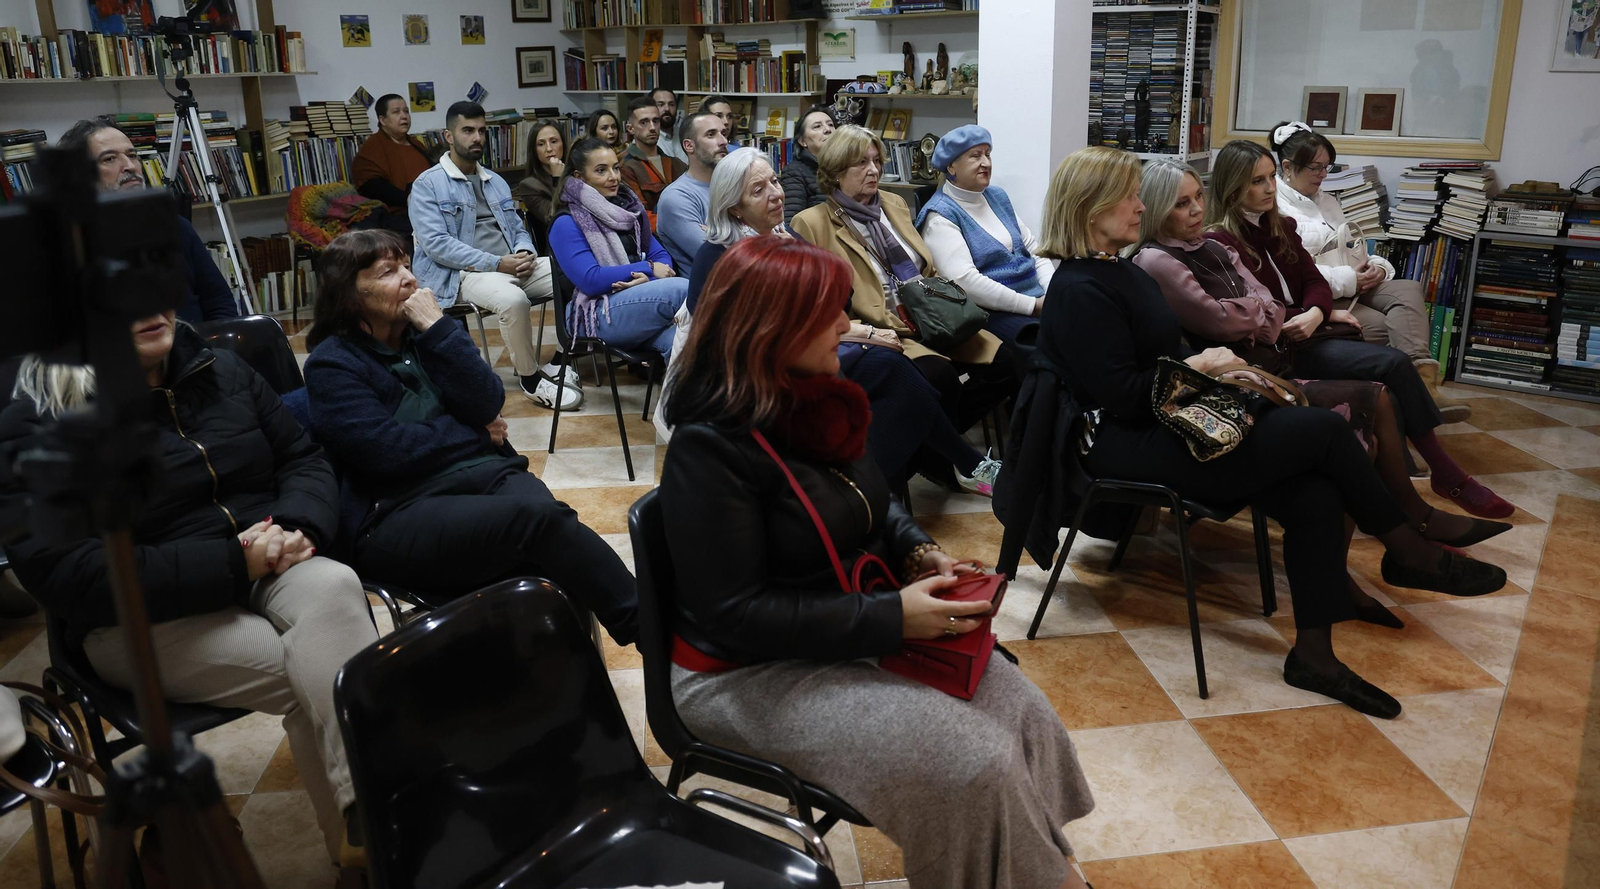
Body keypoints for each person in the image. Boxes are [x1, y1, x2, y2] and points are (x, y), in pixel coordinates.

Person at [661, 234, 1094, 888]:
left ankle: (1034, 865)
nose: (846, 322)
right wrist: (891, 618)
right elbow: (732, 615)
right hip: (740, 673)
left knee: (1020, 705)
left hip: (834, 630)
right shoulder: (708, 448)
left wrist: (916, 549)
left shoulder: (818, 399)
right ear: (771, 326)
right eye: (828, 311)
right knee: (969, 762)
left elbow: (874, 500)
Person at [1035, 146, 1507, 718]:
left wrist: (1210, 367)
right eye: (1129, 196)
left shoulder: (1115, 270)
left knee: (1316, 492)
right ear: (1090, 208)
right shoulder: (1080, 289)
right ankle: (1407, 546)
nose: (1141, 205)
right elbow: (1125, 399)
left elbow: (1160, 359)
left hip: (1168, 417)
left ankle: (1315, 655)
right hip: (1123, 444)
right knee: (1322, 434)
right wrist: (1202, 367)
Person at [0, 311, 377, 869]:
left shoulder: (221, 369)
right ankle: (378, 838)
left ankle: (364, 833)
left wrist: (298, 528)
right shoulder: (36, 421)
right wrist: (231, 562)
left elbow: (302, 456)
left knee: (336, 585)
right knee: (321, 677)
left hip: (262, 557)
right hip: (134, 618)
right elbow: (71, 576)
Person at [1131, 158, 1511, 576]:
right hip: (1251, 376)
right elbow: (1218, 319)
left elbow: (1273, 299)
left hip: (1278, 349)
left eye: (1198, 197)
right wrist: (1266, 312)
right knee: (1362, 420)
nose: (1196, 209)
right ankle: (1392, 540)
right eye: (1182, 203)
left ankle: (1413, 518)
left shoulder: (1227, 242)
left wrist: (1287, 311)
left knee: (1385, 380)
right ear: (1154, 207)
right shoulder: (1166, 256)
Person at [302, 230, 639, 645]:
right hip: (400, 508)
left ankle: (563, 679)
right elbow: (386, 452)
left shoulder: (431, 333)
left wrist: (439, 330)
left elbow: (487, 401)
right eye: (388, 272)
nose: (408, 278)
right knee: (541, 526)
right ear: (349, 294)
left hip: (488, 476)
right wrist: (476, 434)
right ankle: (652, 634)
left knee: (552, 558)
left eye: (407, 265)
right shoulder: (332, 364)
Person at [1204, 140, 1512, 518]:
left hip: (1311, 331)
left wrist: (1318, 311)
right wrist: (1316, 313)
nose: (1270, 189)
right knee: (1392, 364)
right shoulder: (1220, 241)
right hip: (1284, 347)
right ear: (1232, 187)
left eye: (1270, 178)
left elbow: (1313, 278)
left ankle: (1426, 482)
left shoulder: (1279, 225)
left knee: (1392, 364)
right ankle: (1443, 478)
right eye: (1257, 181)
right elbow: (1260, 305)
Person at [685, 148, 1000, 495]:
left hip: (810, 354)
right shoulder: (716, 256)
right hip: (763, 375)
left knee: (897, 375)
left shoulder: (784, 234)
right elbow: (720, 340)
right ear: (734, 207)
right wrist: (861, 330)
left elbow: (840, 299)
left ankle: (876, 486)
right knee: (898, 378)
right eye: (758, 190)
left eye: (774, 181)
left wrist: (805, 259)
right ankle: (904, 478)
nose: (776, 193)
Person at [792, 125, 1015, 437]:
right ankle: (942, 453)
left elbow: (926, 266)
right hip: (882, 327)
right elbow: (820, 302)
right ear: (836, 170)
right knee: (940, 377)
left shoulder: (892, 204)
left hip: (929, 315)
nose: (873, 170)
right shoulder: (811, 223)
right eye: (861, 163)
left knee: (1007, 362)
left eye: (877, 161)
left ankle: (933, 450)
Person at [1267, 122, 1469, 421]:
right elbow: (1294, 272)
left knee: (1408, 288)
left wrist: (1377, 267)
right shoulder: (1276, 207)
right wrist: (1351, 279)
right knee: (1386, 324)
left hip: (1352, 281)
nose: (1323, 174)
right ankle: (1408, 401)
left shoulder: (1328, 201)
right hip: (1323, 294)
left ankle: (1425, 387)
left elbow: (1351, 246)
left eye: (1327, 167)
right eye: (1315, 167)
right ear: (1287, 166)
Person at [409, 101, 581, 411]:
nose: (476, 138)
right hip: (463, 274)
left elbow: (517, 228)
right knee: (513, 301)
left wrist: (524, 251)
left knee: (574, 270)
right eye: (468, 131)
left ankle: (562, 357)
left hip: (510, 265)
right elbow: (437, 245)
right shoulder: (426, 185)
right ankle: (531, 380)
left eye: (481, 131)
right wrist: (497, 262)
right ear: (449, 136)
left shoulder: (495, 181)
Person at [59, 117, 238, 324]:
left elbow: (220, 302)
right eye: (109, 159)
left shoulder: (177, 227)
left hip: (196, 350)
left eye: (132, 155)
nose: (129, 166)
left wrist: (211, 350)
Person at [548, 137, 689, 358]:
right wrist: (649, 269)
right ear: (579, 177)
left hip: (633, 302)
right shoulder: (566, 222)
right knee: (684, 289)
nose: (613, 177)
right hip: (593, 315)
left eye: (615, 168)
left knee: (688, 343)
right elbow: (591, 280)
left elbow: (661, 256)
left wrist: (647, 279)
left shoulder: (627, 210)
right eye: (601, 171)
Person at [917, 124, 1056, 343]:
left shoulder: (996, 196)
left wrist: (1053, 293)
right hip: (991, 312)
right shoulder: (940, 217)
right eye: (975, 156)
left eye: (988, 154)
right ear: (951, 166)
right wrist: (1032, 306)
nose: (986, 163)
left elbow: (1033, 249)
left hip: (1036, 300)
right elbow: (966, 282)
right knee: (1050, 344)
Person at [655, 110, 729, 274]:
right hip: (710, 291)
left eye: (723, 133)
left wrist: (717, 235)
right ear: (689, 146)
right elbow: (718, 257)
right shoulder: (676, 197)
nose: (723, 141)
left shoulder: (734, 185)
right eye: (711, 135)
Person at [351, 94, 435, 224]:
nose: (404, 116)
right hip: (399, 215)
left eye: (406, 111)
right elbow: (371, 186)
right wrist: (409, 199)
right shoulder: (372, 147)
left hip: (431, 208)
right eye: (396, 112)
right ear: (383, 120)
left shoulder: (416, 144)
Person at [618, 95, 687, 231]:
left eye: (656, 121)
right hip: (656, 238)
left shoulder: (676, 164)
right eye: (644, 122)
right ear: (630, 128)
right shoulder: (625, 166)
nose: (652, 127)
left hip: (685, 228)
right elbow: (639, 214)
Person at [512, 118, 568, 247]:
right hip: (560, 246)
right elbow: (555, 217)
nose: (549, 149)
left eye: (554, 141)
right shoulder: (529, 186)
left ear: (563, 144)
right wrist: (558, 179)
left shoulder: (577, 173)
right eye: (541, 144)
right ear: (534, 150)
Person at [780, 105, 835, 222]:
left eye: (830, 124)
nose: (827, 130)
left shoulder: (845, 167)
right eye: (817, 126)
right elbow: (791, 223)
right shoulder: (794, 172)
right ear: (803, 141)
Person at [650, 87, 688, 165]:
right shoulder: (647, 141)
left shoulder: (685, 134)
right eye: (661, 105)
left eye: (671, 104)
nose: (667, 109)